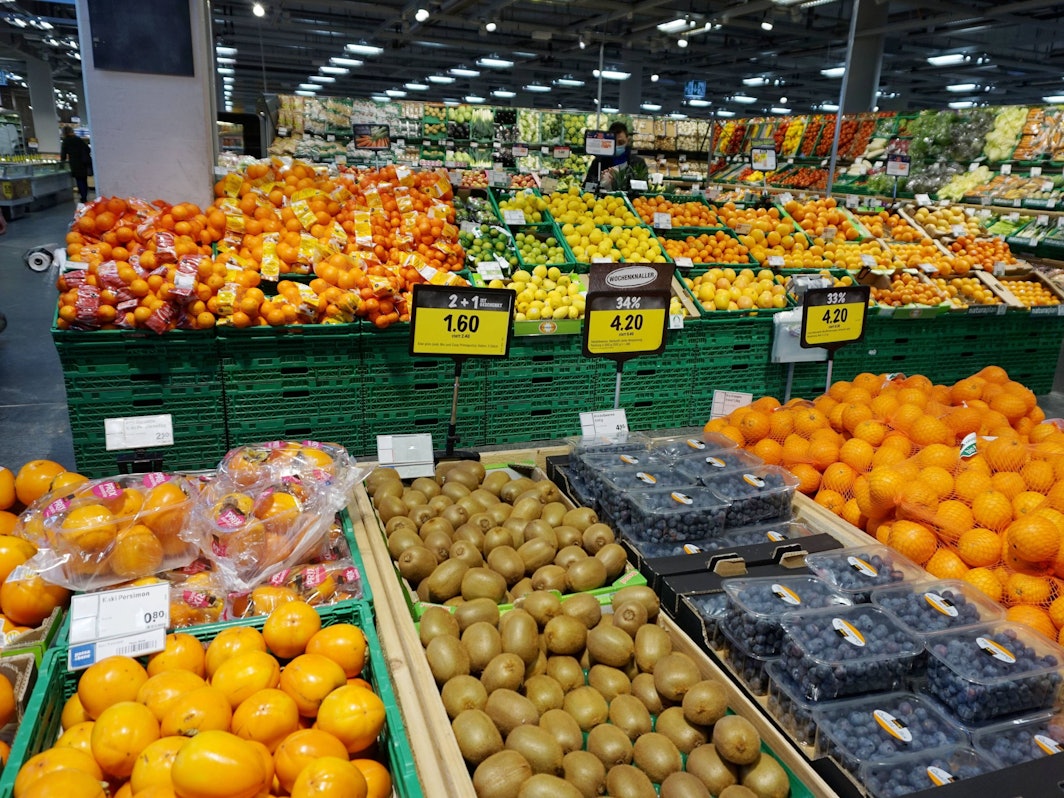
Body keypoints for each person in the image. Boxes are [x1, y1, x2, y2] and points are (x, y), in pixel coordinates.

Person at [583, 121, 648, 192]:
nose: (617, 146)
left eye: (621, 142)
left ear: (627, 140)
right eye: (614, 143)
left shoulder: (638, 163)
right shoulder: (599, 162)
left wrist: (623, 181)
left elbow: (643, 188)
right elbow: (586, 188)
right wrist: (599, 181)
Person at [60, 127, 92, 204]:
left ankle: (83, 197)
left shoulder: (66, 141)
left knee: (79, 180)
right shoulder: (78, 139)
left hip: (75, 163)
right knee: (84, 179)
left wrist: (62, 164)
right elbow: (88, 149)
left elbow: (63, 154)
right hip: (83, 163)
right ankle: (85, 195)